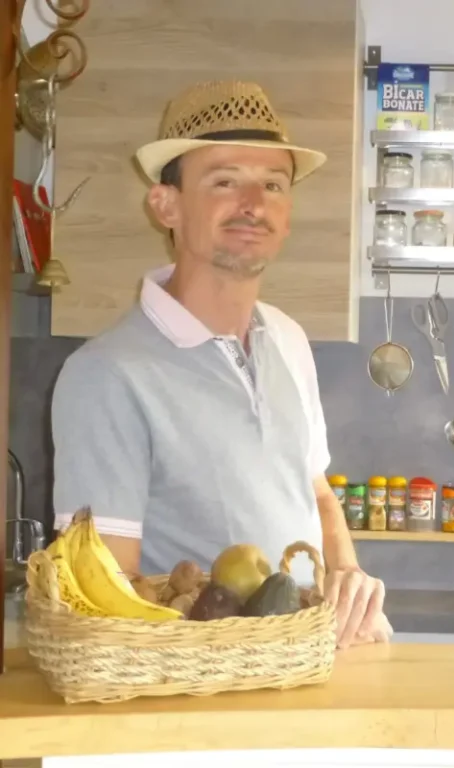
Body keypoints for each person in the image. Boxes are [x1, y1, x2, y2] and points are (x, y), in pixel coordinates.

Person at [50, 79, 391, 649]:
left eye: (273, 185)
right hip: (199, 698)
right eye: (225, 181)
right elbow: (102, 599)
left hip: (309, 671)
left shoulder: (287, 337)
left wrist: (346, 578)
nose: (254, 204)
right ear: (166, 205)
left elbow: (317, 494)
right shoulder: (105, 375)